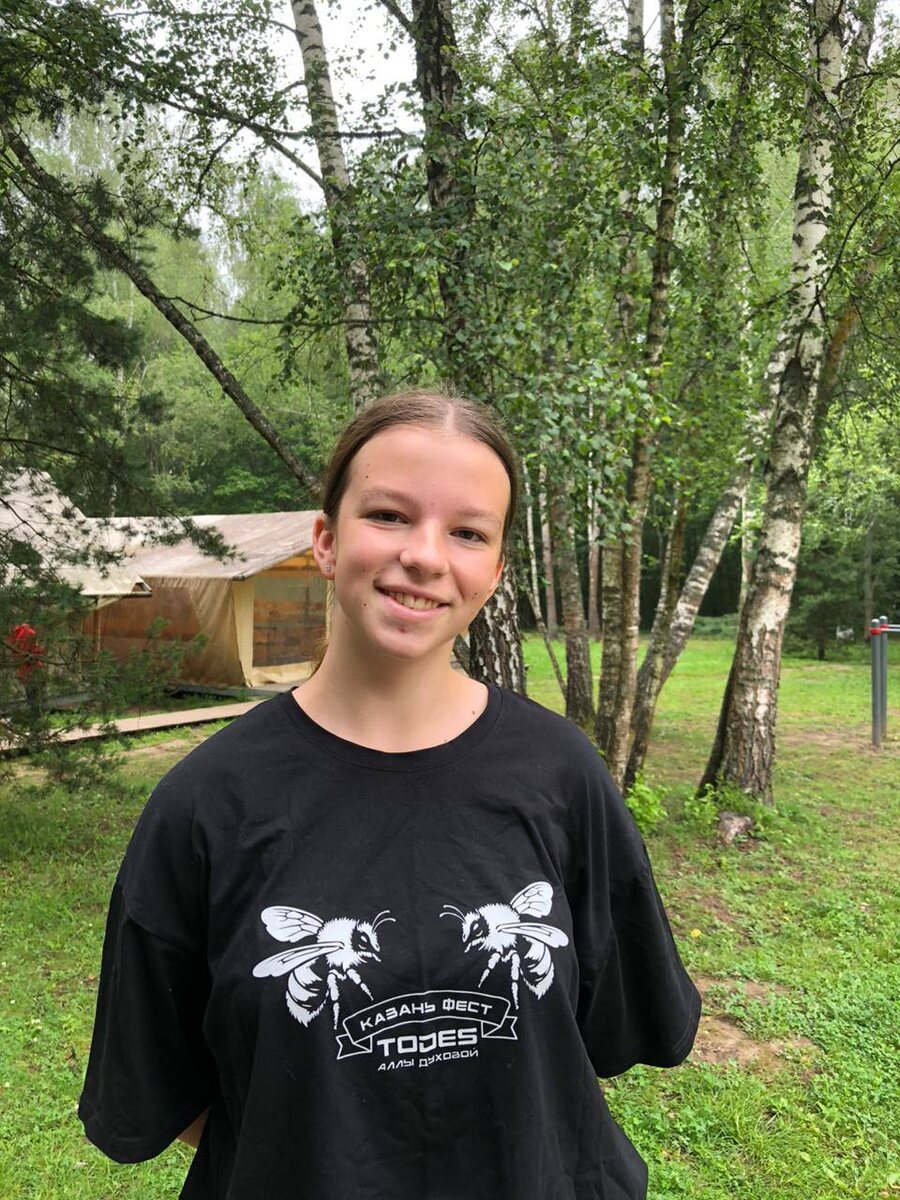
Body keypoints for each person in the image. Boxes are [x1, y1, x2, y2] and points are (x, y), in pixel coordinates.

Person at [79, 387, 700, 1199]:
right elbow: (178, 1095)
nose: (427, 556)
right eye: (389, 516)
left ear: (495, 572)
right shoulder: (204, 805)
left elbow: (595, 1038)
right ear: (327, 542)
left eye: (468, 532)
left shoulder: (562, 774)